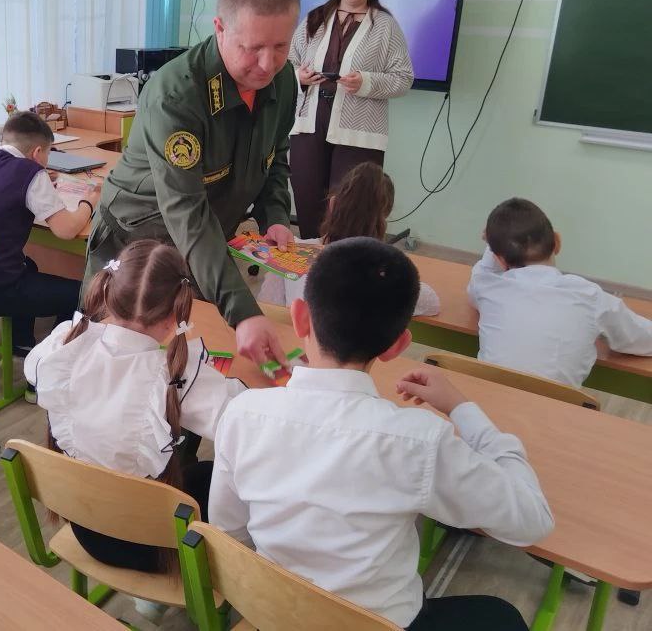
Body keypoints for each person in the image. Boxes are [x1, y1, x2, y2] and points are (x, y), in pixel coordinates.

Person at [210, 237, 554, 631]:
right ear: (397, 346)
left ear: (300, 317)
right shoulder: (419, 440)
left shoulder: (242, 413)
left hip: (276, 613)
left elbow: (228, 532)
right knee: (501, 617)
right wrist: (462, 408)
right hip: (378, 622)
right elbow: (533, 520)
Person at [84, 0, 300, 371]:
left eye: (281, 46)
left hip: (203, 243)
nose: (267, 64)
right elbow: (186, 210)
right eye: (252, 47)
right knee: (115, 367)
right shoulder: (177, 94)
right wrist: (244, 311)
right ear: (220, 29)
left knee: (191, 364)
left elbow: (276, 153)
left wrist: (274, 216)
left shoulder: (283, 80)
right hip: (138, 242)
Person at [26, 240, 244, 574]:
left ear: (109, 293)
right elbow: (237, 422)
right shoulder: (174, 374)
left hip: (85, 524)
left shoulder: (64, 342)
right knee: (215, 474)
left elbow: (33, 368)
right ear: (174, 316)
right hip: (153, 546)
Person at [0, 111, 100, 384]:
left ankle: (21, 344)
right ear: (37, 152)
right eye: (48, 154)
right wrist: (89, 202)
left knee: (29, 265)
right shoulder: (30, 173)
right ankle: (47, 367)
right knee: (82, 294)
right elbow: (66, 230)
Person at [289, 0, 414, 238]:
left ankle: (345, 260)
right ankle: (309, 261)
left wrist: (366, 82)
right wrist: (299, 77)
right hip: (309, 124)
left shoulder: (385, 26)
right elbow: (287, 63)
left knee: (349, 207)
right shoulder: (315, 18)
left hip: (358, 131)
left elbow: (403, 78)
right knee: (307, 199)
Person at [469, 197, 652, 387]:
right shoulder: (590, 296)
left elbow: (479, 281)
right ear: (557, 242)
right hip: (556, 405)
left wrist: (492, 247)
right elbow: (642, 340)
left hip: (487, 401)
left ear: (499, 259)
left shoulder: (488, 287)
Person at [257, 162, 439, 316]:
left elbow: (268, 309)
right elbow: (432, 302)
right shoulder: (383, 279)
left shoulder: (288, 252)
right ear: (383, 221)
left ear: (333, 203)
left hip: (292, 346)